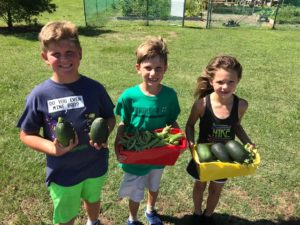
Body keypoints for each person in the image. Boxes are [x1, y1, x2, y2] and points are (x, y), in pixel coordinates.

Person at [17, 21, 116, 225]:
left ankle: (93, 221)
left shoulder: (94, 88)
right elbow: (26, 134)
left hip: (95, 163)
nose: (64, 59)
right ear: (45, 57)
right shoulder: (40, 95)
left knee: (93, 197)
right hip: (63, 171)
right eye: (56, 54)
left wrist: (104, 131)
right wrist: (52, 149)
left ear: (80, 53)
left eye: (70, 52)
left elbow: (109, 117)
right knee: (66, 213)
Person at [114, 37, 181, 225]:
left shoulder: (169, 95)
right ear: (138, 68)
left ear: (165, 68)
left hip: (159, 151)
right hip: (136, 154)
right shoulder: (129, 96)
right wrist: (117, 142)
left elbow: (171, 121)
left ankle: (150, 211)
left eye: (159, 68)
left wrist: (179, 137)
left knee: (154, 185)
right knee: (135, 190)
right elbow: (123, 122)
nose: (153, 73)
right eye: (148, 68)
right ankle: (132, 218)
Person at [185, 55, 255, 225]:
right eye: (220, 82)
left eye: (231, 82)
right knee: (200, 186)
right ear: (211, 81)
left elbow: (236, 126)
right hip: (202, 156)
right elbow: (189, 125)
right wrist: (191, 143)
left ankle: (209, 216)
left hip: (225, 157)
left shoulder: (241, 105)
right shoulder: (201, 104)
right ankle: (197, 213)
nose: (225, 86)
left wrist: (247, 141)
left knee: (216, 190)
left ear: (238, 80)